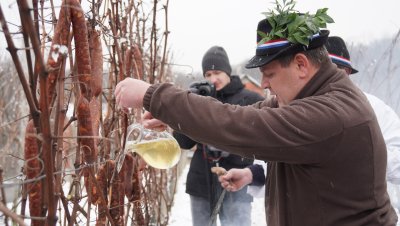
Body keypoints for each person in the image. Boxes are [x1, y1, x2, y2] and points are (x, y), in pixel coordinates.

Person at [114, 11, 398, 226]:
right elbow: (246, 116)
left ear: (301, 64)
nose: (263, 84)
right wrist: (174, 117)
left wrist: (153, 95)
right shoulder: (317, 97)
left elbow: (239, 126)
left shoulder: (331, 114)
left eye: (270, 73)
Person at [241, 36, 400, 200]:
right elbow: (282, 161)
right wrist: (253, 174)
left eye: (329, 70)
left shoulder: (372, 107)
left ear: (345, 73)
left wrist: (353, 154)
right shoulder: (294, 109)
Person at [173, 46, 264, 226]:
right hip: (201, 182)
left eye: (217, 72)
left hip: (237, 179)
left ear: (227, 72)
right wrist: (188, 108)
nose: (212, 79)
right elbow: (182, 141)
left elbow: (258, 139)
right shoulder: (200, 100)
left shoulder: (250, 99)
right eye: (207, 74)